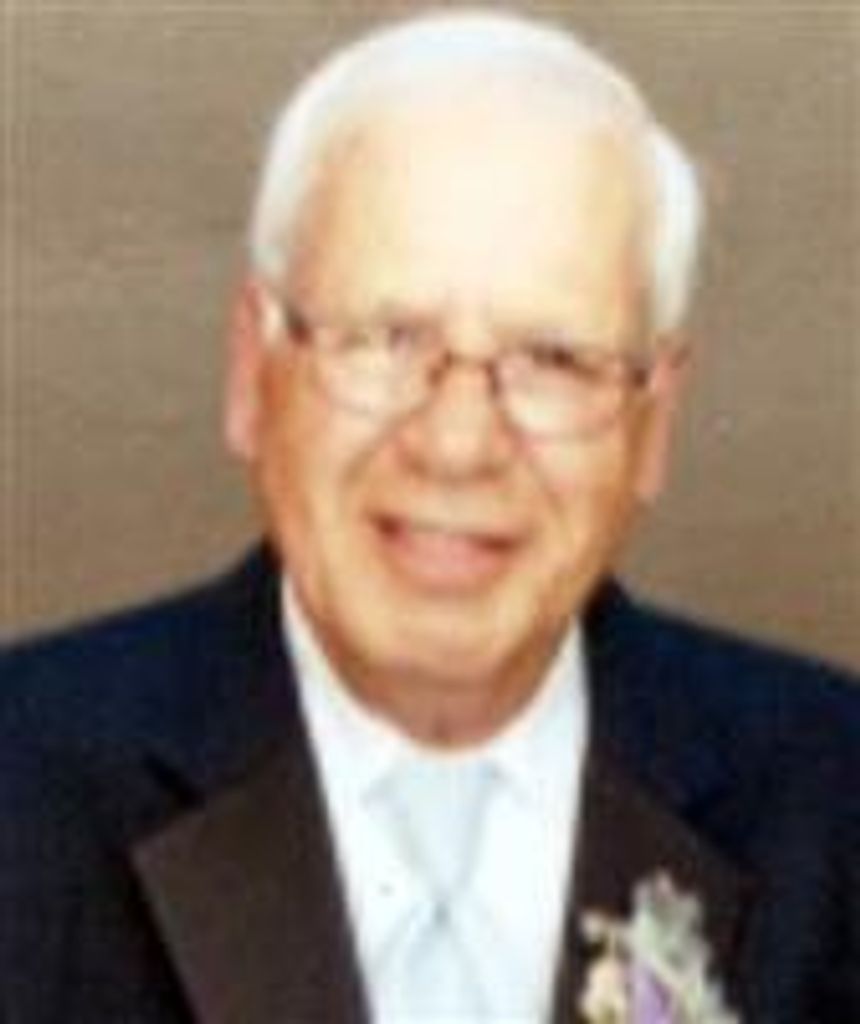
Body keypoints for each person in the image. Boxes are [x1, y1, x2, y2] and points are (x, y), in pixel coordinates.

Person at [1, 9, 858, 1023]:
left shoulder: (833, 804)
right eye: (386, 338)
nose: (456, 444)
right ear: (252, 373)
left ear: (652, 421)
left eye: (552, 359)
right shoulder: (23, 789)